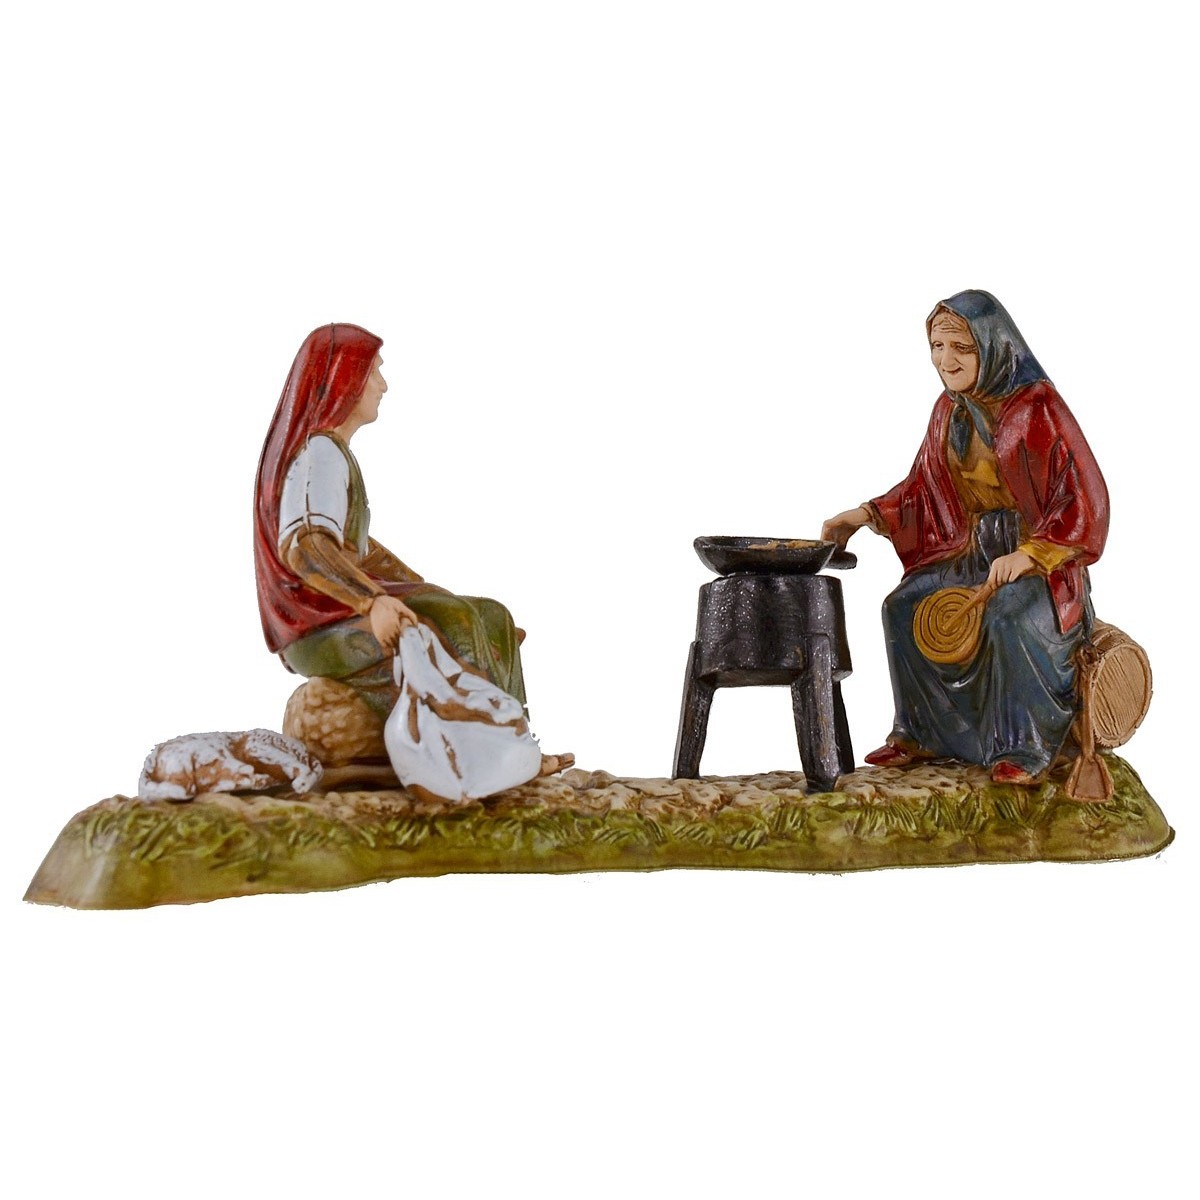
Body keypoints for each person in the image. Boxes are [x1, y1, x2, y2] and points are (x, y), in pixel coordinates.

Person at [254, 322, 570, 777]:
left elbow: (362, 552)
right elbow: (306, 548)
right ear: (344, 381)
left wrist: (441, 600)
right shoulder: (318, 454)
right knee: (455, 621)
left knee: (490, 615)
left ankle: (516, 747)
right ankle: (478, 759)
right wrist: (375, 602)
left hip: (337, 613)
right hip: (318, 627)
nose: (382, 385)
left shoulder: (333, 452)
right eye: (373, 373)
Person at [821, 290, 1108, 785]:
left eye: (962, 347)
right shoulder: (949, 411)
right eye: (937, 346)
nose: (945, 360)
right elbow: (924, 488)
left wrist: (1030, 554)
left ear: (993, 346)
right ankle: (920, 732)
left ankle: (1023, 746)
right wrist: (865, 515)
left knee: (1006, 615)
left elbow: (1085, 497)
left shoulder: (1037, 407)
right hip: (972, 551)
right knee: (903, 606)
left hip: (1043, 564)